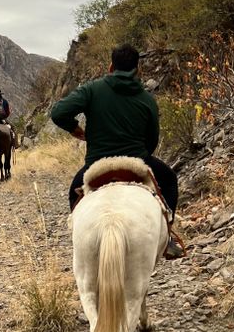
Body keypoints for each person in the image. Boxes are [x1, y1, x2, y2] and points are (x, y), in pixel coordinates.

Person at [50, 43, 183, 259]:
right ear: (137, 69)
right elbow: (152, 139)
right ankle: (167, 238)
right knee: (168, 180)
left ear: (110, 66)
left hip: (97, 163)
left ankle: (79, 240)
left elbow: (59, 113)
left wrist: (74, 128)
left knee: (74, 190)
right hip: (137, 160)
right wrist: (141, 154)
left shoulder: (92, 90)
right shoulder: (147, 100)